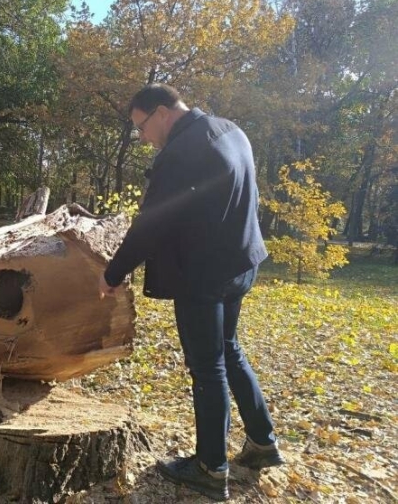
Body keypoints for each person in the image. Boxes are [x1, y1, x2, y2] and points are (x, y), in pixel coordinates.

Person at [98, 84, 285, 502]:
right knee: (229, 349)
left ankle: (210, 467)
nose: (143, 138)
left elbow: (151, 224)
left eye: (141, 127)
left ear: (162, 112)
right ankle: (262, 443)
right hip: (240, 262)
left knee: (208, 366)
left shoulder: (182, 154)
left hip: (204, 274)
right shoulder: (230, 130)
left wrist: (112, 274)